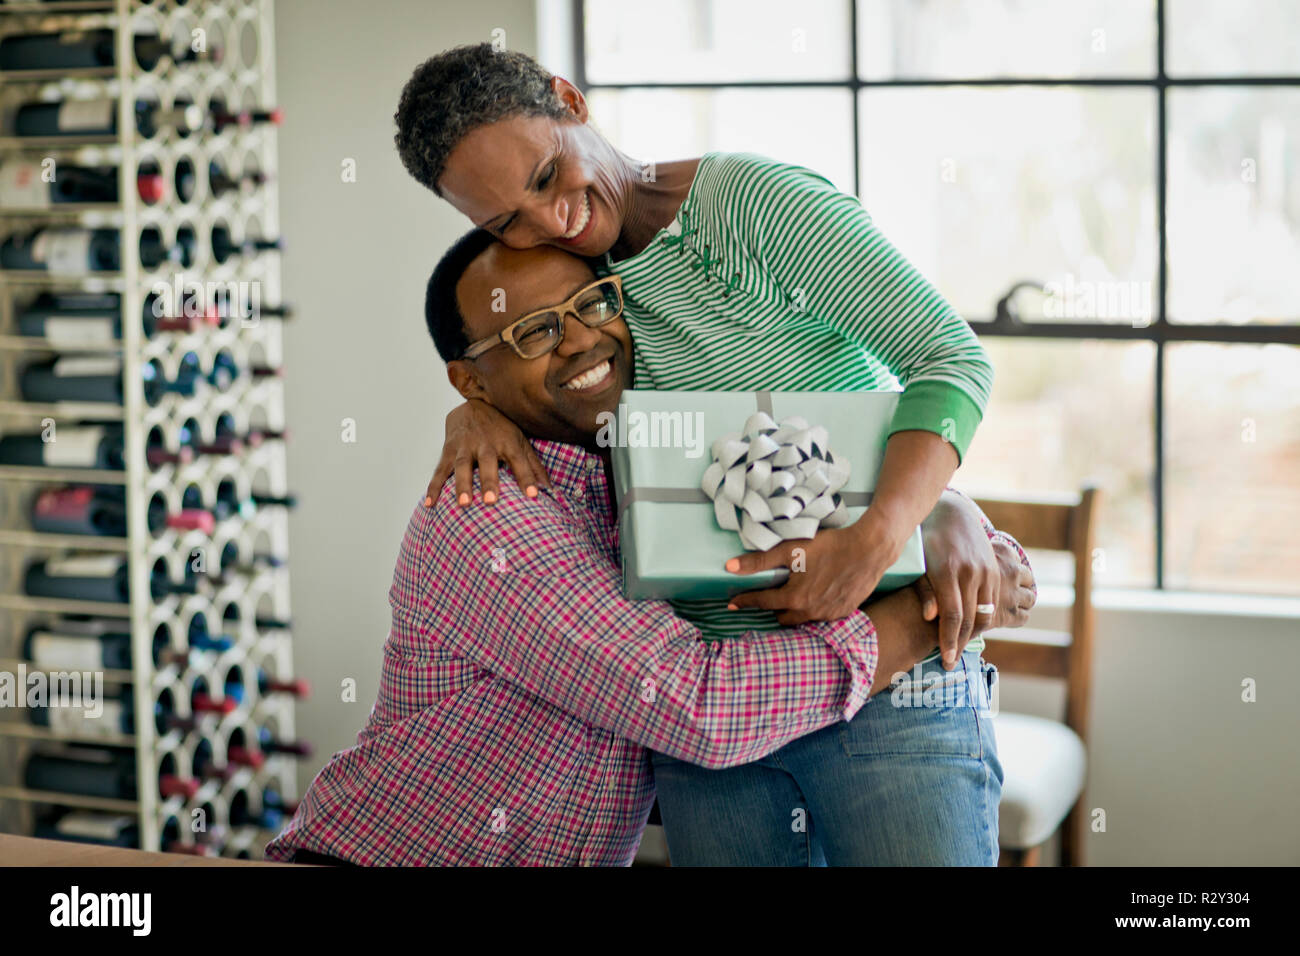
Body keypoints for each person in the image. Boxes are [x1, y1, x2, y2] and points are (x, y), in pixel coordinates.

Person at [263, 233, 1035, 866]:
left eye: (592, 303)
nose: (581, 340)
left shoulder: (648, 461)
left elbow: (821, 464)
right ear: (472, 383)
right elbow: (702, 707)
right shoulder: (489, 515)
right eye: (533, 332)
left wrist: (954, 516)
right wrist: (921, 619)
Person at [394, 44, 999, 667]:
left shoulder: (751, 205)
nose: (551, 220)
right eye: (505, 223)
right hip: (717, 707)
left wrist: (886, 534)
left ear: (571, 102)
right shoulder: (579, 289)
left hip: (888, 675)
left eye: (547, 176)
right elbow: (552, 410)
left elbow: (951, 362)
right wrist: (473, 414)